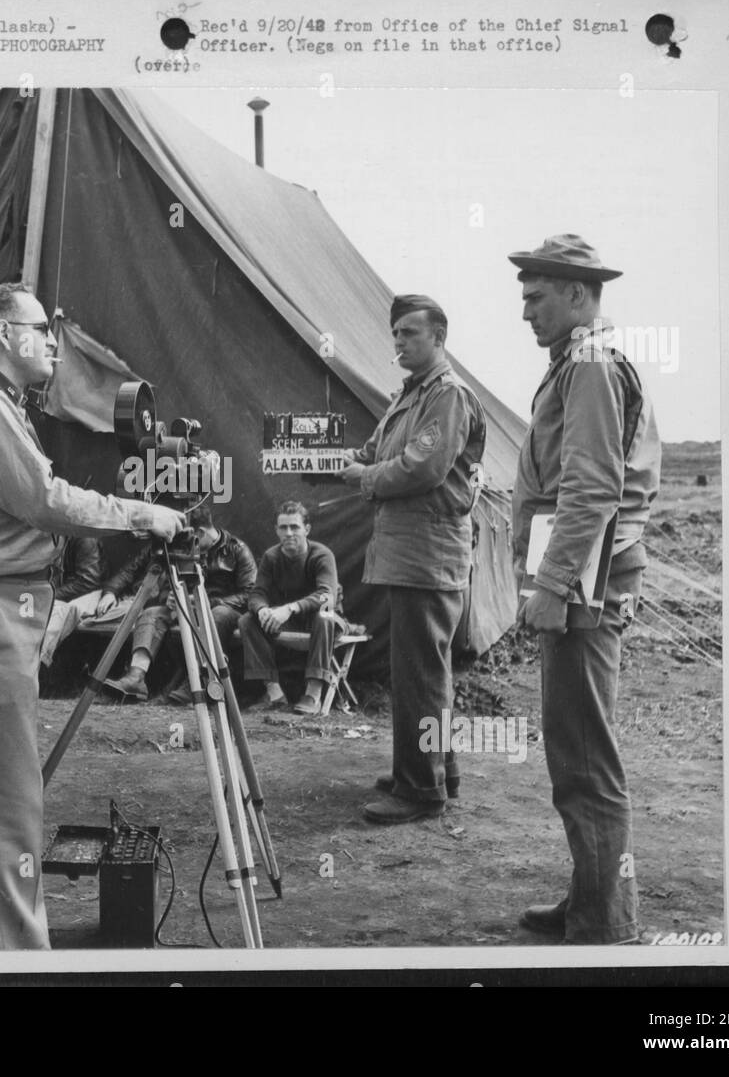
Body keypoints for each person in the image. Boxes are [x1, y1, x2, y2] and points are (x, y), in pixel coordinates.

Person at [0, 282, 185, 951]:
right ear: (5, 333)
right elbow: (43, 499)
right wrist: (138, 511)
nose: (51, 343)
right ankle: (22, 967)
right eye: (40, 329)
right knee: (10, 812)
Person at [507, 234, 661, 945]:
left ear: (578, 293)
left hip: (586, 583)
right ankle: (590, 901)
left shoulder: (592, 365)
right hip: (581, 577)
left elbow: (592, 487)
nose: (527, 312)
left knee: (586, 758)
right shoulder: (578, 363)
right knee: (574, 749)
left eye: (537, 297)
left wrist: (552, 584)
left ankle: (605, 922)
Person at [340, 294, 487, 824]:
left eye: (410, 333)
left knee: (420, 673)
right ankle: (433, 770)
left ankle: (420, 790)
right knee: (426, 670)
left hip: (428, 554)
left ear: (439, 337)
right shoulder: (411, 396)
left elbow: (420, 468)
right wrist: (349, 463)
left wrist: (366, 478)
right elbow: (378, 451)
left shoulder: (446, 396)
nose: (399, 342)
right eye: (396, 333)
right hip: (412, 552)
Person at [105, 505, 256, 703]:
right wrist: (170, 598)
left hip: (224, 611)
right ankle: (135, 677)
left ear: (198, 532)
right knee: (152, 614)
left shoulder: (237, 549)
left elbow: (250, 594)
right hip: (186, 606)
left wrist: (207, 602)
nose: (178, 543)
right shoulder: (180, 550)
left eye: (183, 536)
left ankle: (199, 681)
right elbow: (165, 583)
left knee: (217, 615)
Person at [237, 502, 342, 715]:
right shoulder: (271, 556)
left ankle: (313, 694)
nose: (289, 533)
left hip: (325, 622)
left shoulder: (321, 554)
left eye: (294, 527)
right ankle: (275, 694)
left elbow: (326, 595)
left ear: (307, 529)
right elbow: (257, 593)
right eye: (283, 528)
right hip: (290, 620)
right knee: (247, 620)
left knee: (325, 614)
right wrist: (262, 610)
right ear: (276, 530)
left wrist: (291, 608)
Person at [38, 535, 105, 671]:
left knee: (56, 615)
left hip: (88, 594)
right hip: (60, 593)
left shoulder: (85, 538)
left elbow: (89, 581)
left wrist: (49, 595)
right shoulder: (52, 535)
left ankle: (36, 666)